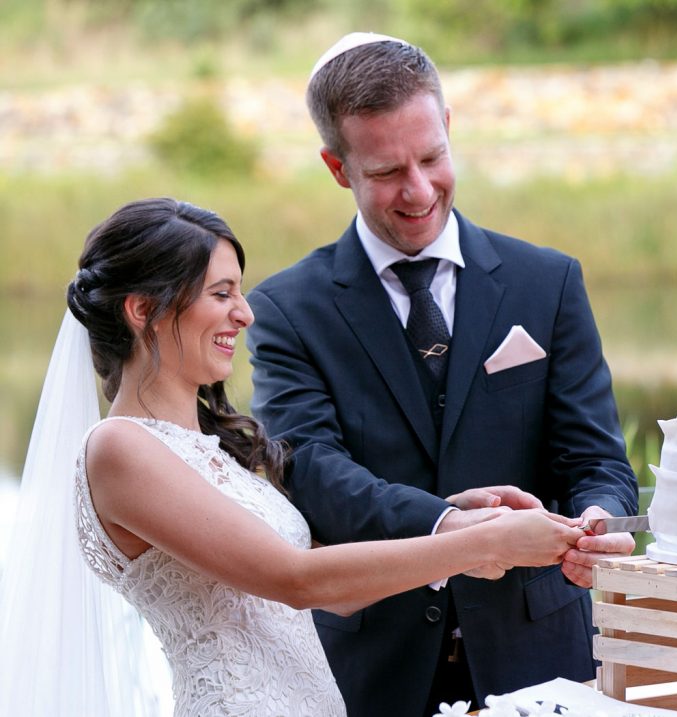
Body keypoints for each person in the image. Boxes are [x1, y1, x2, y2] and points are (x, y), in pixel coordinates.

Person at [0, 197, 584, 717]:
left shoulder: (206, 451)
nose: (245, 313)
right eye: (221, 293)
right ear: (142, 309)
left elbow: (337, 582)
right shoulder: (120, 447)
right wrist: (485, 543)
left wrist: (457, 517)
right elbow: (294, 580)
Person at [246, 32, 640, 716]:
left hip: (543, 662)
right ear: (338, 168)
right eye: (387, 171)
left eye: (431, 157)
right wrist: (458, 531)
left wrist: (598, 515)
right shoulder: (285, 311)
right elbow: (314, 474)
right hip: (373, 674)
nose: (419, 190)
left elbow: (596, 456)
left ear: (449, 127)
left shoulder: (547, 282)